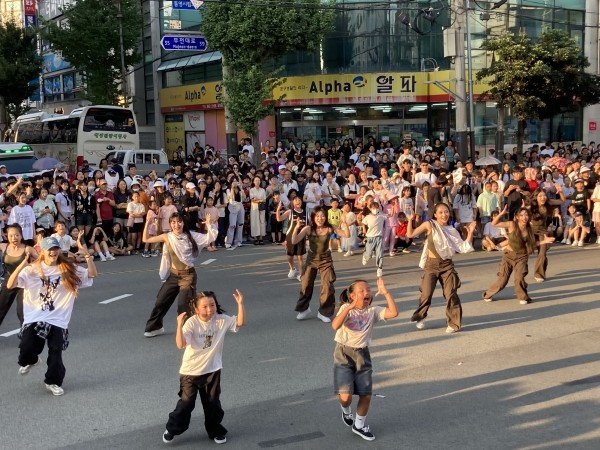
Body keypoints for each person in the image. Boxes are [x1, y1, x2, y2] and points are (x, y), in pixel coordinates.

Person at [6, 235, 96, 396]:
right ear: (42, 252)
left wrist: (87, 255)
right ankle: (32, 361)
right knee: (26, 348)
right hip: (36, 316)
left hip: (58, 318)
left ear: (58, 250)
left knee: (56, 351)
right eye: (49, 250)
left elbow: (92, 275)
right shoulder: (32, 269)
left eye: (55, 249)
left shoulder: (67, 269)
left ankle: (53, 381)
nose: (53, 252)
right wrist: (22, 265)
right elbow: (10, 284)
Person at [161, 289, 245, 445]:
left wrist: (240, 304)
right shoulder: (192, 323)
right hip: (190, 372)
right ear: (197, 309)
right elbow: (180, 344)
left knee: (213, 403)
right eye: (205, 307)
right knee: (186, 403)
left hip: (212, 370)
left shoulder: (221, 320)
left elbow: (239, 323)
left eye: (212, 305)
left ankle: (215, 431)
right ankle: (172, 428)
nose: (209, 310)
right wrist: (179, 325)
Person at [332, 277, 398, 441]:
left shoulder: (373, 311)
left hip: (363, 354)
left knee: (366, 394)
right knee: (345, 397)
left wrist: (386, 293)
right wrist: (349, 309)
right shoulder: (347, 308)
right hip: (344, 354)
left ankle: (359, 425)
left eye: (368, 290)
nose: (366, 292)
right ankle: (346, 411)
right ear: (352, 296)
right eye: (361, 290)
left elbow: (394, 313)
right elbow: (335, 325)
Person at [142, 212, 217, 337]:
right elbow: (146, 239)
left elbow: (210, 238)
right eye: (173, 222)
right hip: (173, 275)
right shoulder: (168, 236)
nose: (176, 225)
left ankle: (187, 331)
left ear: (183, 223)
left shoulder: (191, 236)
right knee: (161, 301)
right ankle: (155, 327)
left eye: (179, 222)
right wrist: (148, 223)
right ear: (170, 224)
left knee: (184, 305)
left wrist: (209, 224)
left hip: (188, 276)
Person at [406, 203, 476, 333]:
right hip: (431, 265)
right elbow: (410, 234)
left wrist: (470, 233)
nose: (444, 215)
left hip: (447, 266)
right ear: (435, 214)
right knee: (426, 294)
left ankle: (454, 323)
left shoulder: (452, 230)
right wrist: (410, 219)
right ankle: (420, 316)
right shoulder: (429, 225)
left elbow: (464, 247)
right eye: (441, 212)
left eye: (446, 212)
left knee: (451, 294)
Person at [482, 205, 555, 305]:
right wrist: (501, 214)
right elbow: (494, 223)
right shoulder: (512, 224)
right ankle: (487, 294)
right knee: (502, 281)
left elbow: (532, 244)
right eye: (522, 215)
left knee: (519, 278)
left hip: (521, 257)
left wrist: (544, 241)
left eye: (526, 215)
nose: (524, 217)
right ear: (517, 217)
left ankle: (523, 297)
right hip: (508, 256)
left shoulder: (530, 229)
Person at [291, 206, 350, 323]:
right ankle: (304, 309)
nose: (320, 218)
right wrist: (296, 227)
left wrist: (345, 223)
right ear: (313, 217)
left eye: (322, 216)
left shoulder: (329, 228)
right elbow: (294, 240)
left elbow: (346, 235)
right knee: (306, 283)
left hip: (325, 259)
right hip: (311, 259)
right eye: (317, 216)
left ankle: (324, 312)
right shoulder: (308, 229)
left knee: (327, 285)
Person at [0, 224, 39, 329]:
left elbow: (42, 261)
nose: (14, 238)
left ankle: (26, 334)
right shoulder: (4, 247)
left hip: (24, 281)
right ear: (7, 236)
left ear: (21, 236)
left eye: (17, 235)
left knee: (21, 310)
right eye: (11, 235)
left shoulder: (28, 249)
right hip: (10, 279)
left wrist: (31, 265)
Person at [276, 195, 306, 281]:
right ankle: (292, 268)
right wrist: (278, 210)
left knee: (300, 257)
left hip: (301, 238)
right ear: (292, 203)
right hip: (290, 237)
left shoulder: (305, 213)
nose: (298, 201)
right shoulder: (290, 212)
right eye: (296, 200)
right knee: (290, 256)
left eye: (299, 199)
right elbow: (279, 219)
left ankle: (301, 274)